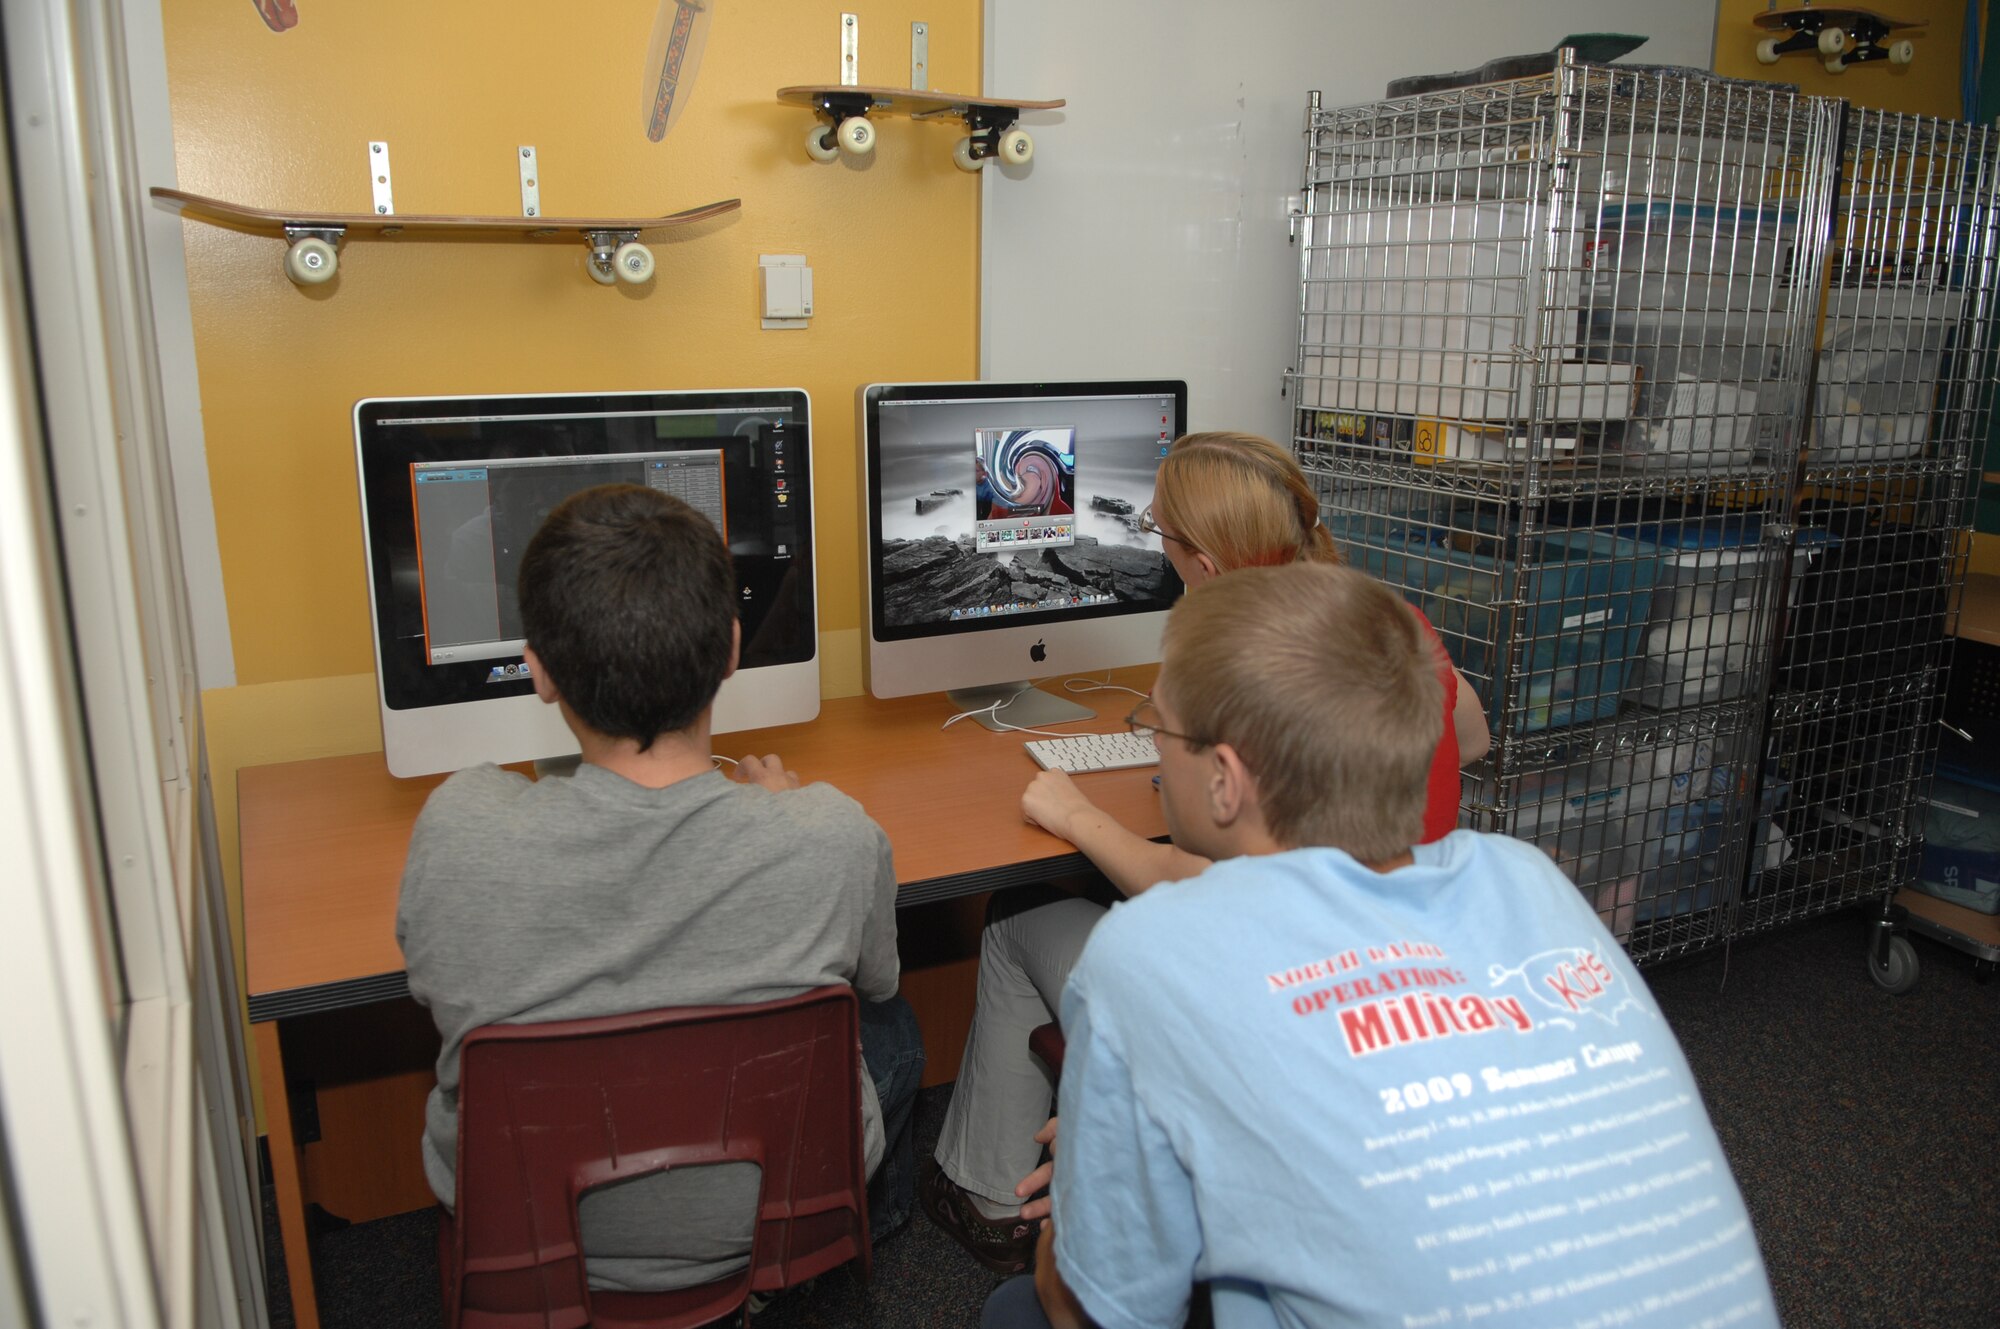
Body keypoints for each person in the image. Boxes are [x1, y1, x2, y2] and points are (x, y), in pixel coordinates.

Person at [981, 563, 1778, 1329]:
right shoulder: (1526, 878)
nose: (1151, 741)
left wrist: (1097, 1177)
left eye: (1157, 722)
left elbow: (1085, 1309)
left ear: (1226, 778)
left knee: (1015, 1308)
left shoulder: (1149, 953)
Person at [923, 432, 1489, 1271]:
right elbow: (1470, 733)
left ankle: (991, 1195)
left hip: (1279, 1007)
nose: (1157, 549)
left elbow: (1207, 888)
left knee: (1016, 914)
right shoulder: (1385, 621)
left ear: (1209, 567)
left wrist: (1079, 817)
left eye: (1165, 538)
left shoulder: (1245, 667)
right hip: (1405, 985)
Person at [396, 483, 923, 1293]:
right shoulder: (832, 835)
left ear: (536, 670)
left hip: (539, 1235)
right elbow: (879, 978)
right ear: (732, 650)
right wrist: (783, 818)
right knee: (893, 1027)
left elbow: (433, 985)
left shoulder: (457, 830)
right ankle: (847, 1263)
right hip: (761, 1217)